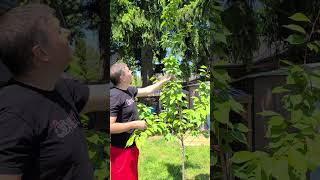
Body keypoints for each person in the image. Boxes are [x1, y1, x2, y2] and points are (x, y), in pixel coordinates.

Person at [0, 4, 108, 180]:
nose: (67, 32)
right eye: (58, 31)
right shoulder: (13, 114)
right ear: (42, 53)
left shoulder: (59, 88)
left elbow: (107, 96)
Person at [110, 63, 173, 180]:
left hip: (131, 147)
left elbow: (148, 90)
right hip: (120, 151)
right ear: (122, 77)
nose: (131, 72)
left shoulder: (129, 90)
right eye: (128, 70)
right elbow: (110, 127)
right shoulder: (114, 96)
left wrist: (164, 81)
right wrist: (135, 124)